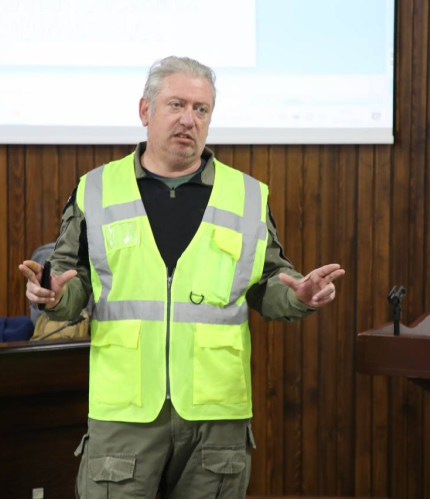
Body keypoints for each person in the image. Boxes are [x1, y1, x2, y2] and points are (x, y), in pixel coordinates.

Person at [19, 56, 344, 499]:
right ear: (145, 110)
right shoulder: (96, 189)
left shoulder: (247, 195)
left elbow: (269, 283)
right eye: (176, 105)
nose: (189, 119)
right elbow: (71, 284)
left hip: (216, 414)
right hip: (126, 412)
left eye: (201, 109)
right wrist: (55, 297)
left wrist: (299, 296)